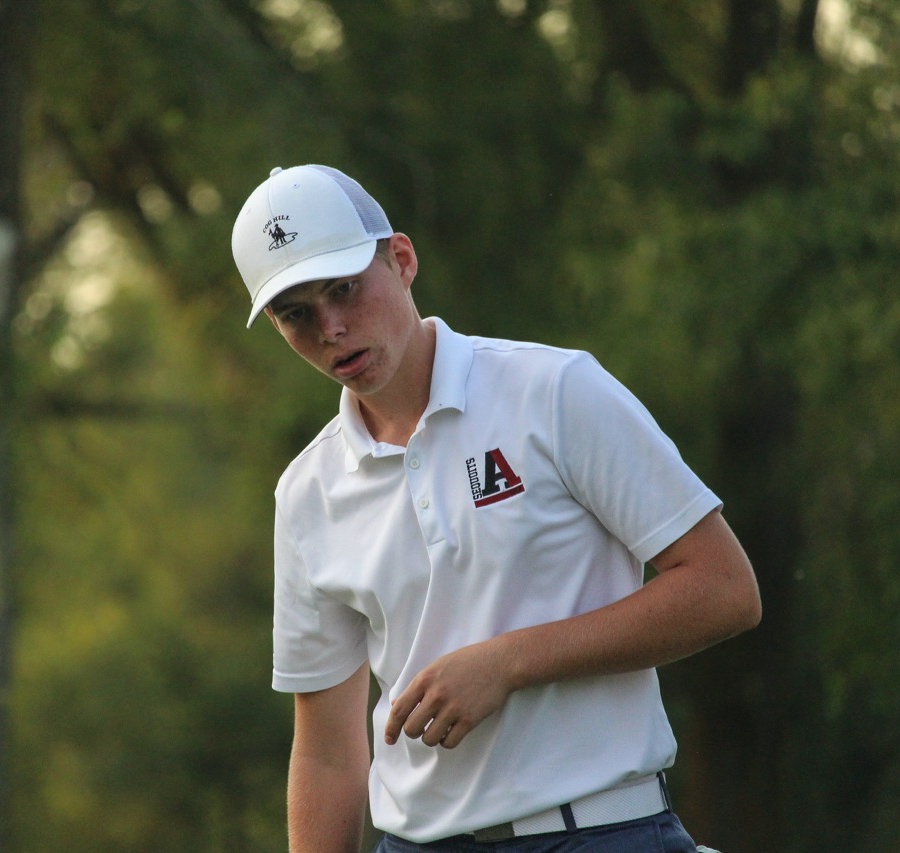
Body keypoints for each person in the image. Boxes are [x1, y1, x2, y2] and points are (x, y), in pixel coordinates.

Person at [231, 164, 761, 853]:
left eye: (344, 288)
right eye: (295, 313)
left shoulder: (555, 390)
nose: (331, 328)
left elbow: (724, 588)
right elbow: (328, 752)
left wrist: (510, 661)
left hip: (601, 830)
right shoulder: (306, 491)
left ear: (402, 258)